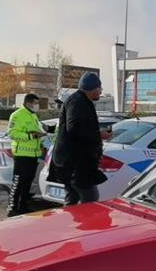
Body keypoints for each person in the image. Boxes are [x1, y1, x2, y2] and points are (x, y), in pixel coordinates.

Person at [52, 73, 109, 205]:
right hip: (75, 164)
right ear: (94, 89)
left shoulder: (83, 101)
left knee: (72, 201)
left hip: (77, 163)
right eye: (100, 89)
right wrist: (99, 135)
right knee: (90, 200)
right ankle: (84, 225)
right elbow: (74, 129)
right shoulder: (76, 102)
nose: (100, 92)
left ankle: (69, 225)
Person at [6, 93, 45, 217]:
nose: (37, 106)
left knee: (27, 182)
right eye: (36, 103)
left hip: (33, 155)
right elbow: (11, 133)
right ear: (28, 103)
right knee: (18, 182)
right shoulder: (17, 115)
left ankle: (23, 206)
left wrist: (41, 139)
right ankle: (12, 208)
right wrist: (31, 136)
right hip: (22, 154)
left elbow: (36, 132)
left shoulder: (33, 116)